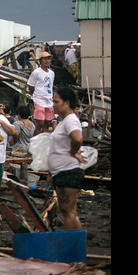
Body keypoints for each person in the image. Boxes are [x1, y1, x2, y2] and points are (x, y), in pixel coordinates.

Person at [48, 87, 87, 230]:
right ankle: (75, 245)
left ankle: (70, 245)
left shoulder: (70, 120)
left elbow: (77, 139)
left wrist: (73, 152)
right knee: (69, 211)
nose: (53, 104)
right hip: (62, 172)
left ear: (66, 103)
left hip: (68, 171)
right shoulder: (64, 121)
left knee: (68, 211)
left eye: (56, 101)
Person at [28, 51, 55, 135]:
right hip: (39, 99)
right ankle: (35, 142)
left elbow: (50, 85)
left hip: (49, 99)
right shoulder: (36, 72)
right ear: (40, 61)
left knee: (47, 122)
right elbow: (31, 86)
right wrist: (37, 94)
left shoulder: (51, 73)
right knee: (40, 123)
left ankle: (43, 142)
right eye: (45, 59)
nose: (47, 61)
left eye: (48, 59)